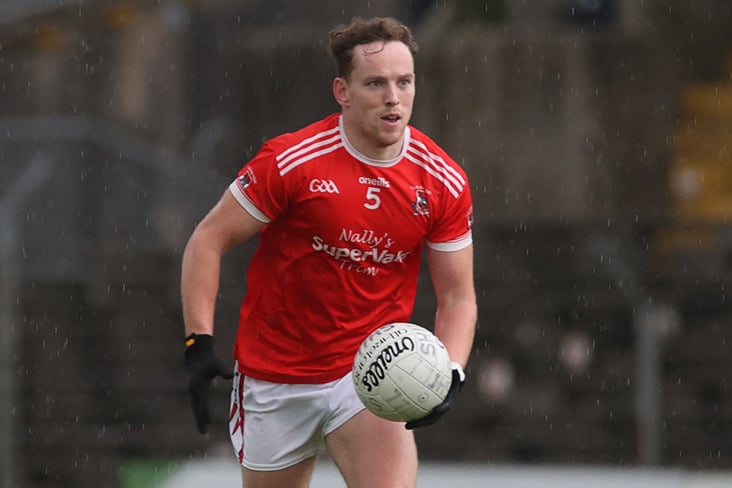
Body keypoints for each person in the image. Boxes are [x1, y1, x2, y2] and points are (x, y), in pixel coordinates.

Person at [180, 16, 477, 488]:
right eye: (375, 83)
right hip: (275, 374)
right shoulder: (291, 161)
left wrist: (451, 371)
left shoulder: (442, 181)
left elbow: (458, 296)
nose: (393, 97)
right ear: (342, 91)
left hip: (370, 371)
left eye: (404, 82)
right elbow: (208, 240)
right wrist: (198, 343)